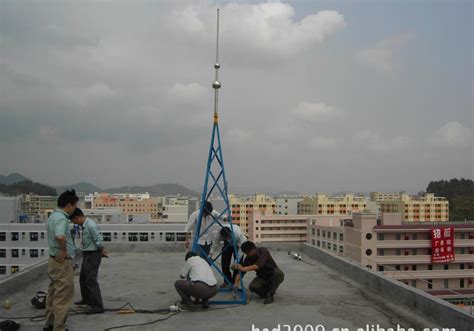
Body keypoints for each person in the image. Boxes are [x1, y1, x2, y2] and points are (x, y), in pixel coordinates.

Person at [44, 189, 78, 331]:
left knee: (52, 294)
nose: (75, 208)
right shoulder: (62, 219)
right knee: (63, 297)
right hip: (61, 263)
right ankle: (59, 328)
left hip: (53, 261)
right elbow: (60, 236)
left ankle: (50, 324)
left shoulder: (52, 216)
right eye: (75, 205)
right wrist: (64, 251)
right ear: (69, 205)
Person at [70, 208, 108, 314]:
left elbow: (98, 240)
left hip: (93, 254)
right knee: (83, 278)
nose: (74, 223)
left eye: (74, 221)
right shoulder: (85, 225)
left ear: (77, 217)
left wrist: (102, 251)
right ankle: (87, 300)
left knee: (91, 280)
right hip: (87, 253)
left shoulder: (91, 225)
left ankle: (98, 306)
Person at [210, 223, 247, 288]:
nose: (228, 238)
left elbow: (240, 252)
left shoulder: (238, 235)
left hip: (238, 244)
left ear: (230, 233)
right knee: (224, 262)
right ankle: (227, 281)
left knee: (237, 265)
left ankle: (235, 282)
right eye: (226, 237)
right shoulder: (219, 234)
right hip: (227, 244)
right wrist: (210, 254)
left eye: (228, 236)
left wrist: (236, 262)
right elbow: (215, 244)